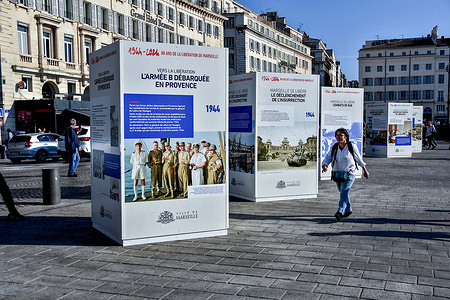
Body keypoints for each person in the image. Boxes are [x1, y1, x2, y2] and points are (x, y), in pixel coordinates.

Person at [322, 128, 369, 221]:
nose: (339, 137)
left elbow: (359, 159)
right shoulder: (334, 147)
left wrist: (365, 170)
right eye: (337, 135)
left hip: (349, 173)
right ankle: (348, 209)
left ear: (346, 136)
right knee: (343, 192)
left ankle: (340, 211)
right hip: (338, 174)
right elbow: (328, 157)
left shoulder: (351, 146)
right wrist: (325, 165)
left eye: (341, 135)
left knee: (344, 192)